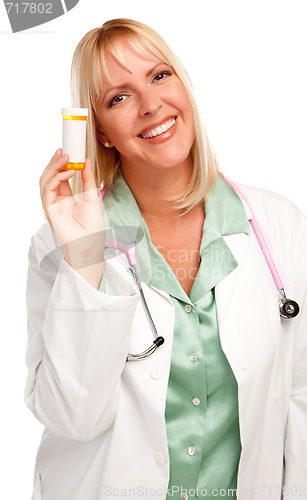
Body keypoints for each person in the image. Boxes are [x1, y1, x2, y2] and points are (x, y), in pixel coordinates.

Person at [25, 18, 307, 500]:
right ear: (102, 132)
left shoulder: (277, 225)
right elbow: (73, 416)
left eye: (159, 76)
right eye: (119, 97)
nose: (151, 104)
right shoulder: (62, 245)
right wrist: (87, 259)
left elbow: (299, 404)